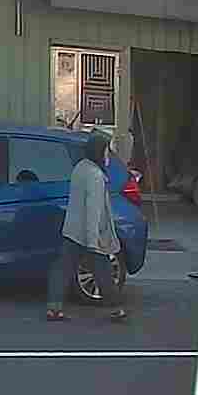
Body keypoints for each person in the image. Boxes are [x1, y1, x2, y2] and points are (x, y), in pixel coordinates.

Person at [47, 131, 128, 322]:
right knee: (103, 272)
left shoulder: (80, 168)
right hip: (90, 233)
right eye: (106, 150)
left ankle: (54, 308)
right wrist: (93, 241)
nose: (108, 155)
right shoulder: (95, 176)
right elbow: (93, 210)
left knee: (62, 269)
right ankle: (116, 309)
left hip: (72, 231)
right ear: (99, 152)